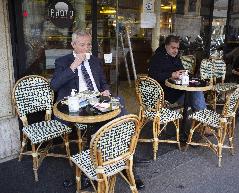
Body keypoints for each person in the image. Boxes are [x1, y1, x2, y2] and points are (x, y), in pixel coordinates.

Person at [50, 29, 144, 190]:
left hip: (97, 101)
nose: (86, 48)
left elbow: (103, 83)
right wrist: (74, 66)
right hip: (76, 106)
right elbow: (54, 85)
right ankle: (97, 164)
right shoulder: (63, 61)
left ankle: (128, 162)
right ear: (73, 45)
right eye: (82, 45)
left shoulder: (94, 60)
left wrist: (105, 91)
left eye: (88, 44)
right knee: (103, 128)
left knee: (121, 116)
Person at [148, 35, 207, 139]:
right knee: (195, 94)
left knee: (196, 91)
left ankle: (200, 123)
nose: (175, 50)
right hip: (163, 93)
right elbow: (154, 76)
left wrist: (185, 74)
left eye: (177, 48)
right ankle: (202, 123)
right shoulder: (157, 58)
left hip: (177, 90)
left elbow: (181, 70)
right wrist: (171, 75)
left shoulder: (175, 57)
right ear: (166, 46)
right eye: (173, 47)